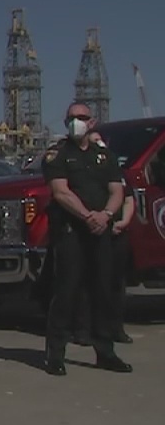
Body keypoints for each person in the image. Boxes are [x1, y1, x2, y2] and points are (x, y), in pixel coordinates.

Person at [40, 103, 132, 376]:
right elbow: (61, 192)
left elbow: (117, 190)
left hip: (100, 231)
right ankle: (55, 354)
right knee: (66, 292)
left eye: (81, 118)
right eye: (70, 118)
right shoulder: (57, 154)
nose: (75, 122)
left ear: (92, 122)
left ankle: (105, 352)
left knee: (102, 290)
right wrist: (87, 216)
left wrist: (104, 215)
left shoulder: (105, 156)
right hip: (71, 232)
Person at [88, 131, 134, 344]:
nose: (98, 144)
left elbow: (128, 199)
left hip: (117, 232)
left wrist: (123, 222)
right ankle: (86, 329)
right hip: (95, 231)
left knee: (116, 283)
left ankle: (116, 328)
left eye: (100, 140)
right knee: (92, 282)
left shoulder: (116, 170)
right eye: (93, 140)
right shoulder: (86, 172)